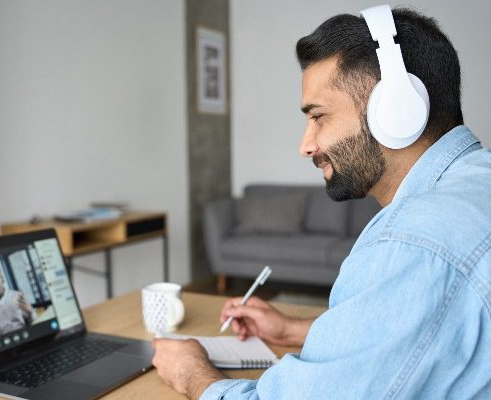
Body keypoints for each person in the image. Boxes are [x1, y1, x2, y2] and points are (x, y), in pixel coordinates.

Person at [152, 6, 491, 399]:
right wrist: (293, 330)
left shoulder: (414, 242)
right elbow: (421, 333)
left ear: (396, 111)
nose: (306, 145)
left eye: (319, 117)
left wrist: (191, 371)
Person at [0, 261, 36, 339]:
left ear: (2, 278)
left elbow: (33, 322)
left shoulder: (18, 296)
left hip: (26, 337)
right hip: (5, 345)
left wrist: (30, 312)